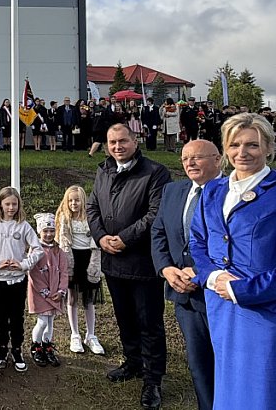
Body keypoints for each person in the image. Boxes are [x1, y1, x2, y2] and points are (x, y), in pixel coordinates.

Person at [190, 113, 276, 410]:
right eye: (234, 144)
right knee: (227, 382)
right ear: (225, 149)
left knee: (261, 387)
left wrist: (245, 290)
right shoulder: (213, 189)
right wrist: (211, 278)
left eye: (252, 145)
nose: (243, 152)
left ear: (269, 147)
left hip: (264, 308)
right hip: (220, 305)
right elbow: (198, 241)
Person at [87, 124, 171, 410]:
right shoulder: (104, 170)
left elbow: (154, 214)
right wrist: (100, 237)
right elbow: (92, 207)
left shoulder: (155, 172)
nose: (117, 146)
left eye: (123, 141)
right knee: (124, 317)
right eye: (112, 142)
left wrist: (124, 238)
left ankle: (153, 380)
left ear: (135, 142)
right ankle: (133, 362)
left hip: (142, 262)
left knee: (149, 322)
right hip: (113, 261)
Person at [150, 140, 221, 410]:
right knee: (198, 363)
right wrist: (166, 269)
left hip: (221, 295)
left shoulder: (230, 192)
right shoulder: (173, 191)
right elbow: (158, 232)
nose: (189, 163)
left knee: (227, 364)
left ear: (218, 160)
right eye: (184, 158)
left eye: (197, 158)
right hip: (184, 297)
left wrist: (202, 272)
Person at [0, 187, 43, 372]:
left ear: (19, 204)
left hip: (18, 281)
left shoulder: (23, 225)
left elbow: (38, 249)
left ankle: (17, 350)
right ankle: (2, 349)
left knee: (17, 317)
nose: (11, 207)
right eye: (7, 204)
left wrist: (24, 264)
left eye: (14, 203)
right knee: (1, 316)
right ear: (0, 204)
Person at [56, 185, 104, 355]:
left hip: (88, 260)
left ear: (83, 200)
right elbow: (61, 240)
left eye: (77, 200)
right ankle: (75, 334)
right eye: (70, 200)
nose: (73, 203)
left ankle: (91, 335)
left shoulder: (90, 218)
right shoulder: (64, 219)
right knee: (72, 298)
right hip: (71, 261)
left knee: (89, 300)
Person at [28, 213, 68, 368]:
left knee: (50, 321)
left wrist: (61, 290)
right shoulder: (35, 250)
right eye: (46, 231)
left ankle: (47, 346)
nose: (49, 234)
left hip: (56, 292)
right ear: (40, 231)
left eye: (52, 230)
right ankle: (36, 345)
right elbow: (33, 273)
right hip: (41, 293)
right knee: (43, 321)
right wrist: (44, 291)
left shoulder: (60, 251)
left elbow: (64, 272)